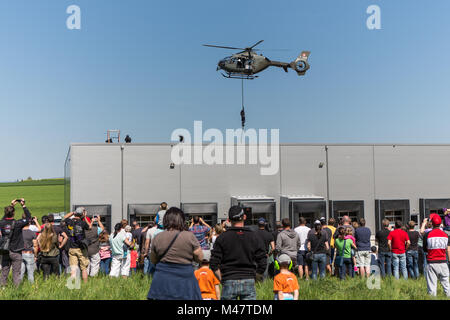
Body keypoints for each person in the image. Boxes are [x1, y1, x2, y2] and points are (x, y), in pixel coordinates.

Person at [210, 206, 266, 300]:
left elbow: (214, 263)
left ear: (228, 220)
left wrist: (221, 278)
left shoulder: (222, 238)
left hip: (229, 278)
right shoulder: (254, 237)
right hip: (248, 278)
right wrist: (256, 276)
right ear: (244, 217)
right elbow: (263, 262)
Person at [148, 207, 203, 300]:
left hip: (163, 279)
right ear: (181, 220)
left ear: (166, 220)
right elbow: (200, 257)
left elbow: (153, 259)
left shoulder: (158, 237)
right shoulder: (189, 236)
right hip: (185, 278)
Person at [0, 198, 32, 287]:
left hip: (5, 250)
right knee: (16, 272)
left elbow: (3, 219)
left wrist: (11, 206)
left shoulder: (1, 223)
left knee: (4, 271)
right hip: (16, 251)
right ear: (14, 213)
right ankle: (16, 289)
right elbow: (29, 218)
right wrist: (23, 206)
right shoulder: (18, 223)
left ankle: (2, 288)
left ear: (5, 213)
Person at [423, 214, 450, 297]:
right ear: (440, 223)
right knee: (446, 285)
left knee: (432, 286)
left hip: (431, 262)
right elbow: (448, 249)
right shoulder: (446, 235)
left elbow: (425, 249)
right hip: (443, 262)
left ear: (432, 223)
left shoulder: (427, 235)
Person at [63, 207, 92, 283]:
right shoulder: (82, 223)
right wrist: (85, 217)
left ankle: (73, 284)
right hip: (81, 248)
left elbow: (64, 217)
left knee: (73, 268)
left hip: (72, 247)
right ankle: (85, 283)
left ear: (75, 213)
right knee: (83, 268)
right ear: (82, 214)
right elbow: (90, 227)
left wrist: (73, 212)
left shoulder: (69, 222)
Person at [20, 217, 38, 283]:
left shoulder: (19, 233)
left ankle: (18, 287)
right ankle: (31, 288)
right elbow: (35, 245)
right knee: (30, 273)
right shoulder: (32, 233)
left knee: (21, 272)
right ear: (29, 223)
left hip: (20, 253)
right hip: (29, 253)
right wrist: (35, 255)